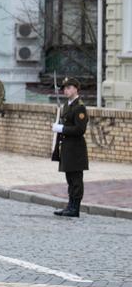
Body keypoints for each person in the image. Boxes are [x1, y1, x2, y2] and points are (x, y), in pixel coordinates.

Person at [52, 77, 88, 218]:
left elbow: (80, 129)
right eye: (65, 88)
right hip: (67, 147)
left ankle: (75, 207)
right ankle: (70, 205)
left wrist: (61, 128)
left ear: (76, 89)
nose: (66, 91)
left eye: (69, 88)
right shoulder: (67, 106)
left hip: (76, 149)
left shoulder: (80, 107)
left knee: (76, 180)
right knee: (69, 179)